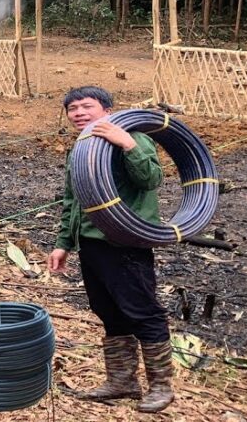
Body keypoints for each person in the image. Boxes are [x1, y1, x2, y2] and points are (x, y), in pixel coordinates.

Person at [48, 86, 172, 413]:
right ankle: (122, 381)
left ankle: (161, 386)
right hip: (92, 244)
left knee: (143, 312)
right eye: (72, 108)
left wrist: (128, 144)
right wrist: (63, 244)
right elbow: (72, 200)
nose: (78, 113)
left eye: (86, 106)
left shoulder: (131, 137)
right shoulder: (80, 148)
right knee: (109, 311)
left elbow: (151, 179)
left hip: (126, 243)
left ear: (106, 108)